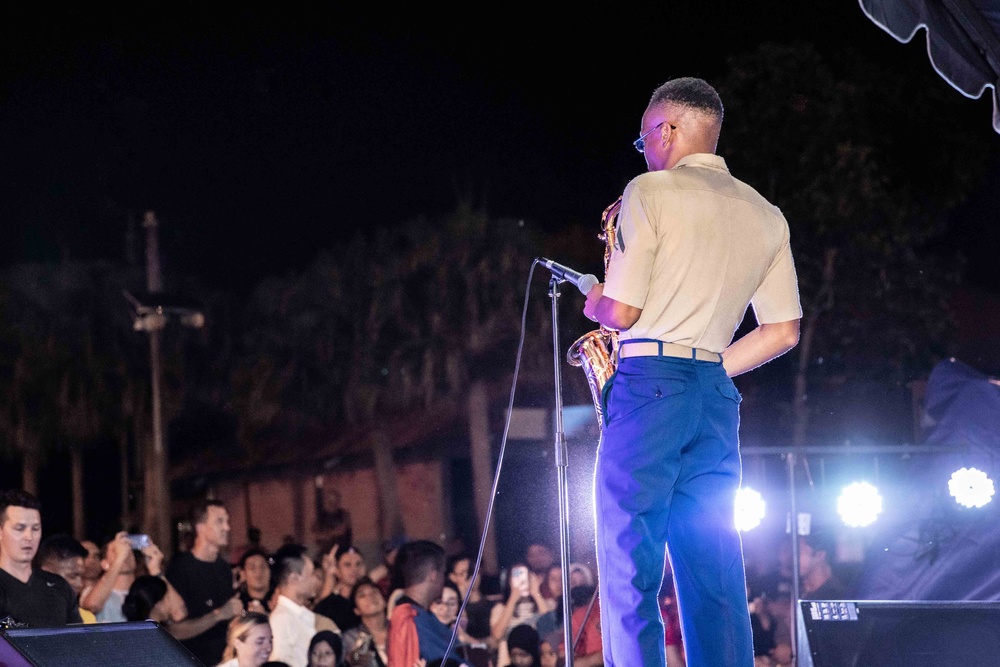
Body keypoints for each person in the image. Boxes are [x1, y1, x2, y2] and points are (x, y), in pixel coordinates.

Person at [582, 76, 801, 667]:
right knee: (714, 565)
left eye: (645, 137)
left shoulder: (649, 191)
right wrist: (707, 366)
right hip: (712, 393)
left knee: (631, 558)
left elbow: (623, 312)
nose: (646, 150)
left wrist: (595, 298)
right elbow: (783, 331)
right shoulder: (766, 213)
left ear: (668, 129)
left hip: (649, 382)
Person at [167, 499, 245, 665]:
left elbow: (228, 615)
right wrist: (218, 615)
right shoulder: (180, 569)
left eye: (227, 521)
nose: (227, 528)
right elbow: (173, 631)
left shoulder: (224, 568)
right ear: (200, 527)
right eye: (219, 522)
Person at [0, 489, 82, 627]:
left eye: (35, 529)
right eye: (20, 528)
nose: (29, 537)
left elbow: (77, 640)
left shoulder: (59, 586)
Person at [386, 539, 466, 667]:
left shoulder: (422, 615)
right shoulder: (408, 617)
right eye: (443, 573)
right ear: (433, 575)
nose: (444, 580)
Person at [268, 543, 334, 667]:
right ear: (294, 579)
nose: (315, 580)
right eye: (311, 574)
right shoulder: (281, 619)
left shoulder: (299, 615)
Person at [35, 534, 94, 623]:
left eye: (82, 577)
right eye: (72, 576)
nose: (80, 584)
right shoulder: (20, 612)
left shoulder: (87, 618)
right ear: (46, 571)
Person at [315, 544, 367, 632]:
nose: (354, 569)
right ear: (337, 570)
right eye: (347, 565)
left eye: (358, 564)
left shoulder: (373, 597)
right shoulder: (330, 605)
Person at [342, 577, 389, 667]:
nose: (370, 597)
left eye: (374, 592)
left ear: (385, 601)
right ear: (356, 610)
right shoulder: (350, 638)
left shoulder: (400, 629)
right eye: (362, 595)